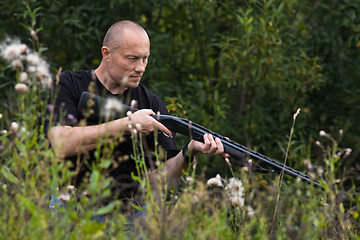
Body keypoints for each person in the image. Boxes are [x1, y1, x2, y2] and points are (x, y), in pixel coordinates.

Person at [46, 20, 229, 208]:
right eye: (132, 58)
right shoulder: (68, 84)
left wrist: (189, 152)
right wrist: (127, 125)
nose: (141, 67)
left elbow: (155, 185)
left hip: (125, 217)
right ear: (106, 53)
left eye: (145, 58)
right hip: (68, 205)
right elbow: (61, 143)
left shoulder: (152, 103)